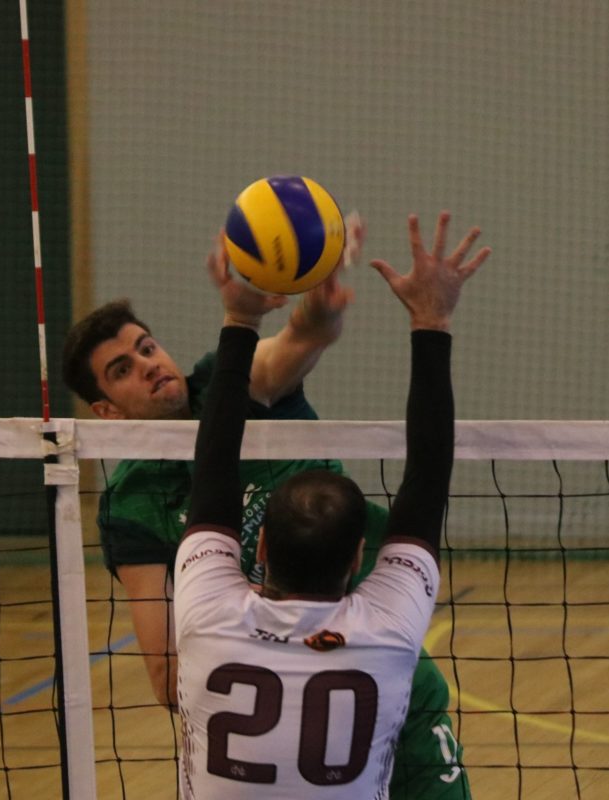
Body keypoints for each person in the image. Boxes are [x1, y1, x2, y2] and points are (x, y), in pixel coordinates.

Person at [61, 218, 473, 796]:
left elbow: (301, 337)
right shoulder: (131, 504)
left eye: (147, 347)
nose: (149, 365)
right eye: (122, 369)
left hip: (380, 655)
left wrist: (319, 305)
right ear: (105, 412)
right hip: (283, 691)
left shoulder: (226, 385)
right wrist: (278, 649)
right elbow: (165, 677)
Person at [174, 210, 487, 798]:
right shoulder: (390, 634)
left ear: (259, 547)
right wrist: (432, 318)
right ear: (357, 559)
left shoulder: (206, 614)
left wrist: (239, 316)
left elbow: (212, 463)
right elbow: (428, 476)